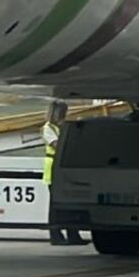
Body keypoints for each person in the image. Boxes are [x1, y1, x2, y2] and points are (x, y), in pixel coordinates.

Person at [42, 101, 86, 246]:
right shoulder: (48, 128)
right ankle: (56, 235)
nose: (63, 115)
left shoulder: (63, 127)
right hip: (54, 166)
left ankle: (73, 234)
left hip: (65, 166)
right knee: (55, 205)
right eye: (61, 112)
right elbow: (57, 144)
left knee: (70, 202)